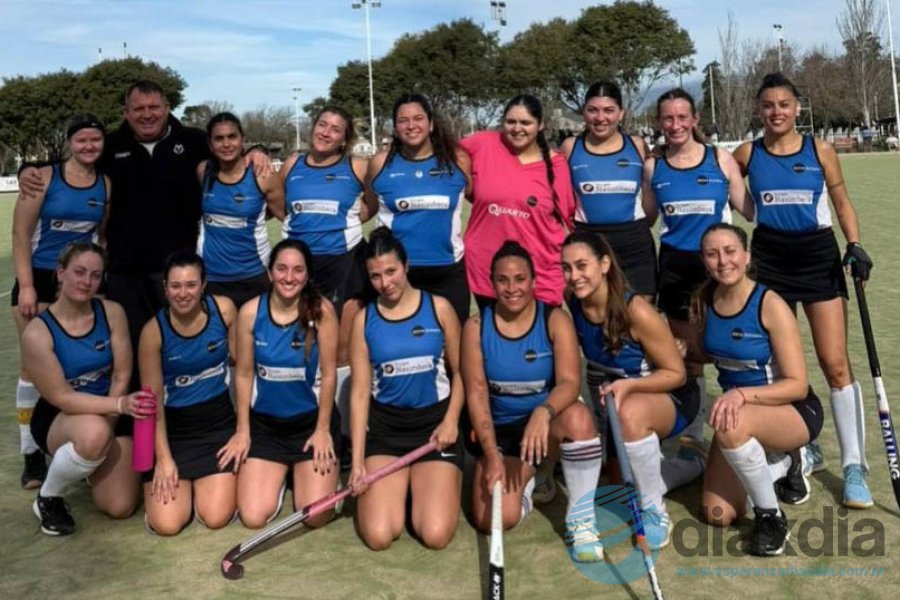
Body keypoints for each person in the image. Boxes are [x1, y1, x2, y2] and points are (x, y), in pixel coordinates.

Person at [18, 80, 268, 390]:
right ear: (126, 111)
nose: (147, 114)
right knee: (131, 356)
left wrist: (256, 150)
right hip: (125, 275)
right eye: (138, 109)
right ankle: (136, 417)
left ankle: (182, 415)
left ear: (167, 108)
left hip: (177, 273)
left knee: (182, 349)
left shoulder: (192, 140)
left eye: (153, 107)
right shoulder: (111, 145)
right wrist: (29, 167)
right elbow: (75, 160)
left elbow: (227, 151)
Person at [733, 73, 874, 508]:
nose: (776, 112)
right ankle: (802, 443)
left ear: (797, 108)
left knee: (835, 362)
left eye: (784, 104)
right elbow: (718, 178)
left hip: (817, 257)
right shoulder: (747, 152)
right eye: (768, 105)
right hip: (770, 258)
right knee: (782, 365)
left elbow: (841, 201)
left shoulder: (820, 150)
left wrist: (854, 244)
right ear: (759, 110)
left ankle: (854, 466)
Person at [462, 241, 603, 562]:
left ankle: (581, 520)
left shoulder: (554, 319)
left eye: (520, 279)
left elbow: (570, 383)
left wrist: (544, 410)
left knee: (579, 418)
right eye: (502, 280)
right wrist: (491, 454)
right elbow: (477, 395)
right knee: (492, 520)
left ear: (534, 281)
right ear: (491, 283)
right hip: (504, 436)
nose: (512, 288)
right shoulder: (476, 327)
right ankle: (533, 477)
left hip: (547, 426)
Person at [561, 230, 700, 550]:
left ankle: (655, 512)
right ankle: (691, 464)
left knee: (631, 413)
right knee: (620, 489)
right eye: (566, 268)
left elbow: (677, 374)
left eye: (582, 265)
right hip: (621, 404)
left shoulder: (636, 310)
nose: (574, 276)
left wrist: (631, 385)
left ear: (604, 264)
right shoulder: (574, 300)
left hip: (671, 397)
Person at [694, 223, 824, 556]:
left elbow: (797, 385)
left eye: (730, 251)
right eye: (712, 254)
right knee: (718, 513)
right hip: (741, 416)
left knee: (731, 425)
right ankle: (784, 465)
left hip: (793, 411)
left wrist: (741, 395)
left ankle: (771, 519)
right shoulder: (704, 301)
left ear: (747, 256)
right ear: (704, 260)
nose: (723, 261)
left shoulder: (769, 303)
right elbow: (708, 353)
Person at [642, 88, 750, 446]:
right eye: (668, 118)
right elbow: (645, 218)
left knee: (731, 349)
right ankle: (692, 438)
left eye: (681, 117)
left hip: (718, 270)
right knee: (688, 357)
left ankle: (745, 425)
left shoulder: (720, 159)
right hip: (675, 268)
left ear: (694, 120)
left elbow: (749, 209)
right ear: (659, 122)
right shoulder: (654, 167)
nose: (675, 125)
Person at [20, 242, 151, 535]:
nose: (86, 281)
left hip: (110, 411)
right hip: (60, 417)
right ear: (60, 273)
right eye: (79, 272)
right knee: (94, 434)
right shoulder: (38, 332)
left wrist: (110, 423)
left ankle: (86, 461)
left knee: (119, 506)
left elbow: (121, 375)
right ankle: (48, 497)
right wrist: (117, 408)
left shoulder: (112, 312)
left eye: (95, 275)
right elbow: (63, 397)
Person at [11, 114, 111, 489]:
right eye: (81, 140)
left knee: (80, 364)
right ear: (70, 142)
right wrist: (27, 286)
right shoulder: (43, 178)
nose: (89, 146)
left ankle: (75, 443)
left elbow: (101, 236)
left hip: (80, 282)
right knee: (32, 370)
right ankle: (31, 453)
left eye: (95, 140)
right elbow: (20, 234)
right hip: (39, 278)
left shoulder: (105, 184)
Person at [348, 227, 463, 550]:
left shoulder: (439, 308)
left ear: (406, 265)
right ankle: (404, 489)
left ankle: (426, 487)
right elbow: (359, 393)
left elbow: (462, 374)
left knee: (435, 534)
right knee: (379, 536)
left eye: (391, 271)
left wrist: (451, 421)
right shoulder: (363, 320)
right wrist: (357, 462)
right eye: (375, 276)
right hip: (387, 433)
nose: (385, 283)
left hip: (435, 431)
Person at [281, 105, 373, 455]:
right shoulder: (292, 164)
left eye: (336, 129)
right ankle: (308, 427)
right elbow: (278, 204)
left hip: (345, 264)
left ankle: (345, 435)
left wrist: (346, 224)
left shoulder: (357, 166)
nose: (326, 132)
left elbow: (371, 204)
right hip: (301, 267)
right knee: (304, 348)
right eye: (322, 125)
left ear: (344, 139)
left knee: (343, 350)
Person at [230, 239, 340, 528]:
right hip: (267, 429)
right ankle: (283, 477)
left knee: (314, 516)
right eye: (281, 269)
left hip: (310, 426)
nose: (289, 277)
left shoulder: (322, 311)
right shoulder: (250, 313)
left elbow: (329, 375)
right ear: (269, 272)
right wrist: (243, 430)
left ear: (307, 275)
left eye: (298, 270)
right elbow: (244, 374)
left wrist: (323, 430)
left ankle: (316, 478)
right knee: (253, 517)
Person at [138, 251, 239, 535]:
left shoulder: (224, 310)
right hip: (174, 433)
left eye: (191, 285)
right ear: (165, 288)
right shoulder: (152, 333)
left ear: (203, 284)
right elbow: (152, 402)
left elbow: (242, 370)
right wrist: (163, 459)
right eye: (176, 286)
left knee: (216, 517)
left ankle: (206, 493)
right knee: (167, 525)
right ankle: (181, 494)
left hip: (218, 426)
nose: (183, 293)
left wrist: (243, 430)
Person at [461, 94, 575, 307]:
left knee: (543, 328)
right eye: (511, 122)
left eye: (525, 122)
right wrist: (467, 183)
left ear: (540, 125)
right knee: (493, 328)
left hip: (541, 273)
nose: (517, 128)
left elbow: (570, 218)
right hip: (487, 270)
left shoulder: (557, 165)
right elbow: (446, 152)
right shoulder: (484, 143)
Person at [368, 93, 472, 324]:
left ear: (431, 124)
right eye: (403, 120)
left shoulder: (458, 160)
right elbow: (368, 207)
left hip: (447, 271)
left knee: (455, 344)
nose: (411, 125)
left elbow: (478, 197)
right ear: (395, 128)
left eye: (418, 118)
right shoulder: (380, 163)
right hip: (395, 274)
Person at [561, 81, 657, 299]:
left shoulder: (637, 145)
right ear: (583, 112)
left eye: (609, 110)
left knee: (641, 314)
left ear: (621, 113)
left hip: (634, 245)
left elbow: (650, 203)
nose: (600, 118)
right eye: (593, 110)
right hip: (588, 244)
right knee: (595, 315)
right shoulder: (570, 147)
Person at [197, 112, 285, 308]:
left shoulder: (263, 176)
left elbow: (288, 219)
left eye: (232, 136)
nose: (226, 144)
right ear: (210, 144)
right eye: (219, 138)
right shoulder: (203, 172)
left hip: (254, 276)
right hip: (212, 277)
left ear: (242, 139)